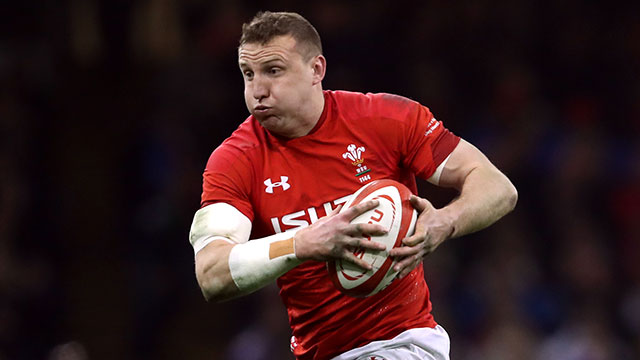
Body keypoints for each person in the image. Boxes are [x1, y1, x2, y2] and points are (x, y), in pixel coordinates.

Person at [189, 11, 517, 360]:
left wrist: (444, 222)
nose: (258, 91)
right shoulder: (235, 160)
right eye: (248, 74)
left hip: (402, 344)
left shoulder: (384, 119)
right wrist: (301, 243)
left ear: (316, 70)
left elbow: (497, 187)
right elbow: (212, 274)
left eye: (273, 71)